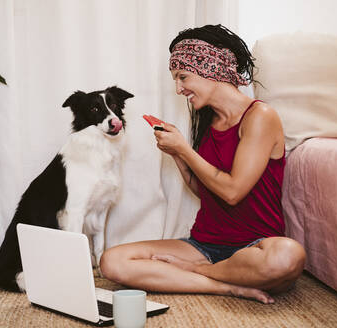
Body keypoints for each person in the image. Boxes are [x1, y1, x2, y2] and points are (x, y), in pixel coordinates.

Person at [99, 24, 306, 304]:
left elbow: (232, 191)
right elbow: (205, 189)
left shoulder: (261, 116)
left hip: (255, 247)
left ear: (212, 69)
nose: (178, 88)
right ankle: (228, 286)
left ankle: (199, 272)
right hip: (204, 244)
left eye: (183, 76)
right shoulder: (211, 122)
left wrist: (185, 149)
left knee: (287, 256)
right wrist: (179, 156)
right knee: (113, 261)